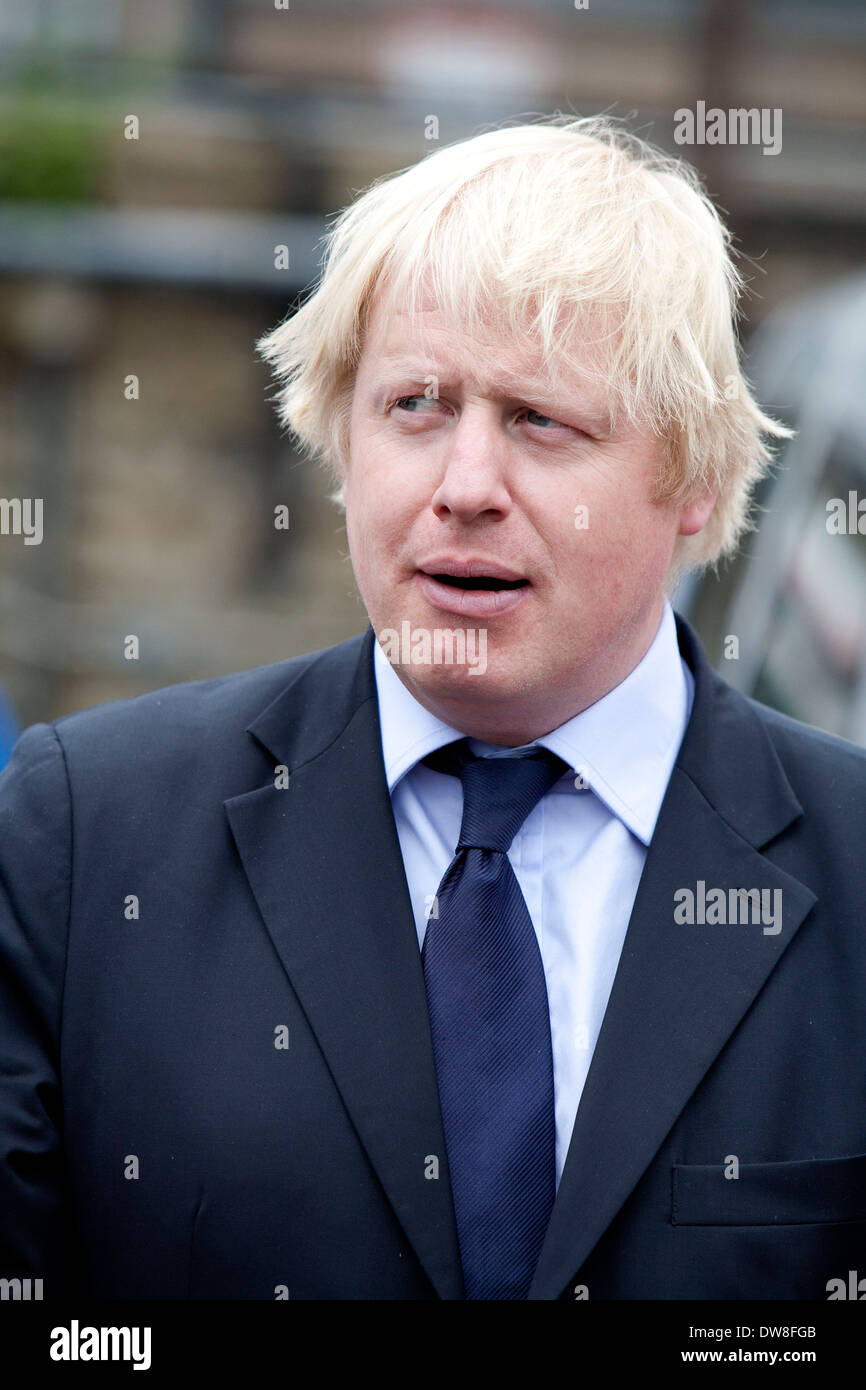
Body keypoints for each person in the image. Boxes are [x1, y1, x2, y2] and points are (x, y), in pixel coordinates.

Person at [2, 117, 865, 1302]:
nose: (463, 487)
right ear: (341, 441)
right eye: (414, 405)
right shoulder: (84, 836)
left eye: (538, 421)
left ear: (693, 478)